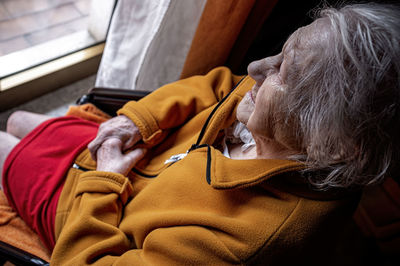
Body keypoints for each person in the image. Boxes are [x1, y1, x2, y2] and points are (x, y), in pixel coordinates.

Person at [1, 2, 399, 265]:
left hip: (95, 210)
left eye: (284, 72)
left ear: (330, 142)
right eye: (282, 52)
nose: (258, 67)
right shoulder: (280, 120)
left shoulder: (243, 241)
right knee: (17, 118)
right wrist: (136, 121)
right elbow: (218, 83)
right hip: (139, 157)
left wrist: (104, 180)